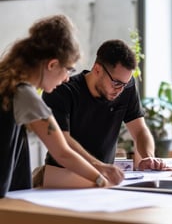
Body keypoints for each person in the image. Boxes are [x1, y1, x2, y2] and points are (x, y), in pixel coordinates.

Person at [0, 14, 123, 198]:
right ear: (52, 64)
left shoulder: (6, 82)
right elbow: (62, 152)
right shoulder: (24, 94)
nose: (67, 78)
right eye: (68, 69)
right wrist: (100, 179)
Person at [40, 39, 166, 187]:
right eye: (116, 83)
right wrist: (100, 167)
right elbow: (63, 143)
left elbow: (139, 130)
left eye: (125, 84)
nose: (120, 90)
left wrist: (148, 157)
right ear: (97, 69)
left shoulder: (125, 87)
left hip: (104, 178)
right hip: (63, 177)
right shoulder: (62, 91)